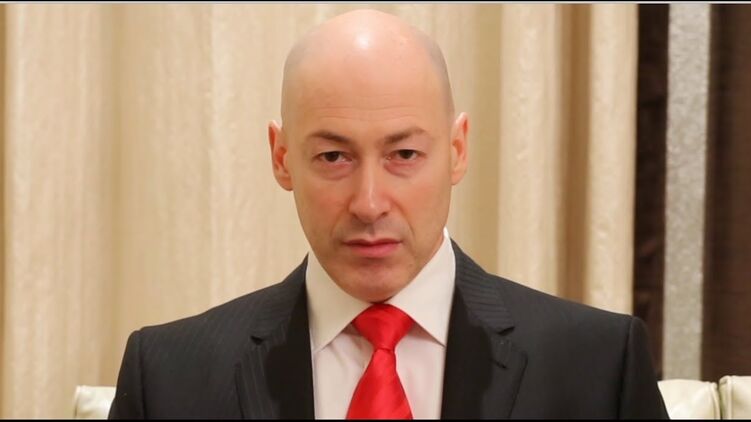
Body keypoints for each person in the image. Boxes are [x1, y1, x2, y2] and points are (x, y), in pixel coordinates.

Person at [109, 9, 668, 419]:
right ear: (281, 158)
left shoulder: (598, 367)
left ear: (457, 151)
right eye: (334, 157)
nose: (369, 202)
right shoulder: (169, 379)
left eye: (404, 155)